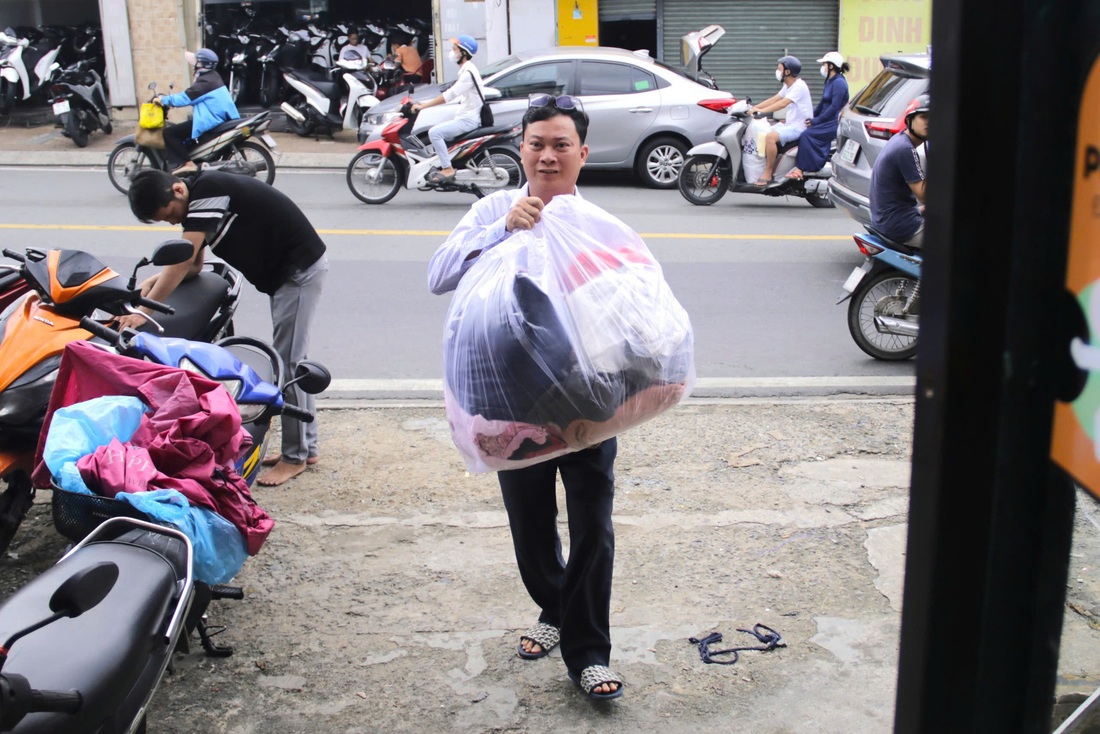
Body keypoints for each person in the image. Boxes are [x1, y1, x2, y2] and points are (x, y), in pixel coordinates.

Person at [427, 95, 625, 701]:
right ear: (521, 149)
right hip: (508, 400)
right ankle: (556, 604)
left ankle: (587, 652)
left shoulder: (598, 223)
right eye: (536, 143)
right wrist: (500, 228)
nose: (547, 155)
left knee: (592, 520)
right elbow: (438, 275)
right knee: (531, 526)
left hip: (587, 398)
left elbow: (628, 308)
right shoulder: (493, 207)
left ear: (582, 154)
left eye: (561, 144)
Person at [118, 169, 328, 487]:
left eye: (171, 215)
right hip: (286, 277)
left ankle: (295, 457)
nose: (174, 223)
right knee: (292, 358)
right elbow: (195, 265)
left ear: (177, 190)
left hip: (298, 273)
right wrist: (153, 283)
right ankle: (305, 447)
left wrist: (145, 312)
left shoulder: (207, 190)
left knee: (289, 364)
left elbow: (183, 262)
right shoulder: (199, 198)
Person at [410, 34, 484, 186]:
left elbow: (449, 95)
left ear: (463, 52)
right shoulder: (466, 70)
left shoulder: (467, 73)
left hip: (467, 120)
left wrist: (423, 107)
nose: (452, 52)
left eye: (455, 49)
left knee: (434, 133)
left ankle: (447, 168)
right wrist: (422, 102)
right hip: (465, 116)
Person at [159, 48, 239, 175]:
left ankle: (188, 163)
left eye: (196, 62)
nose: (193, 65)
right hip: (220, 117)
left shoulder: (205, 82)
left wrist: (164, 100)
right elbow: (193, 96)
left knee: (170, 133)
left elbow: (185, 98)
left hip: (212, 120)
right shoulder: (213, 77)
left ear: (201, 64)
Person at [869, 94, 929, 246]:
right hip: (900, 226)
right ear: (909, 121)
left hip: (889, 219)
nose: (929, 122)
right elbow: (923, 195)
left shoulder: (899, 140)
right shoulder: (905, 149)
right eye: (923, 117)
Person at [747, 55, 814, 186]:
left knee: (771, 137)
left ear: (787, 72)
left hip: (799, 127)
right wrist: (755, 107)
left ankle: (768, 172)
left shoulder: (799, 86)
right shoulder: (788, 86)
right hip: (790, 124)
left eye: (779, 69)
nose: (777, 72)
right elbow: (775, 98)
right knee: (764, 133)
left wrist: (760, 111)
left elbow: (782, 103)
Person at [787, 51, 851, 180]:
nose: (822, 67)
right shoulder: (830, 81)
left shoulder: (839, 83)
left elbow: (834, 107)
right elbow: (822, 103)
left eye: (824, 64)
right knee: (803, 131)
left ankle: (801, 169)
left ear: (831, 66)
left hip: (832, 123)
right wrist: (812, 116)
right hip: (825, 120)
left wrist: (817, 121)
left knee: (807, 135)